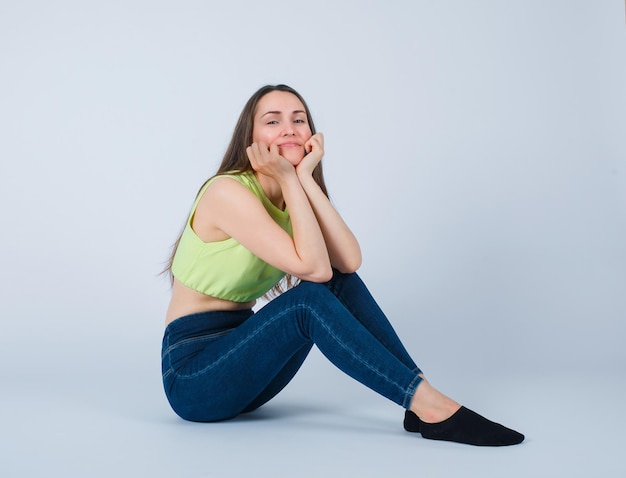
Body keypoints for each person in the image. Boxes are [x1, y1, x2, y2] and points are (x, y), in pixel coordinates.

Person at [161, 84, 524, 446]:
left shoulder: (293, 197)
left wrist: (303, 179)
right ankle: (430, 407)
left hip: (243, 364)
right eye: (273, 121)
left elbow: (348, 263)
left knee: (336, 283)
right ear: (251, 139)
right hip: (194, 376)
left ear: (311, 135)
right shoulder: (227, 192)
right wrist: (290, 178)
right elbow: (315, 270)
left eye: (298, 120)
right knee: (308, 301)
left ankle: (421, 402)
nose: (289, 128)